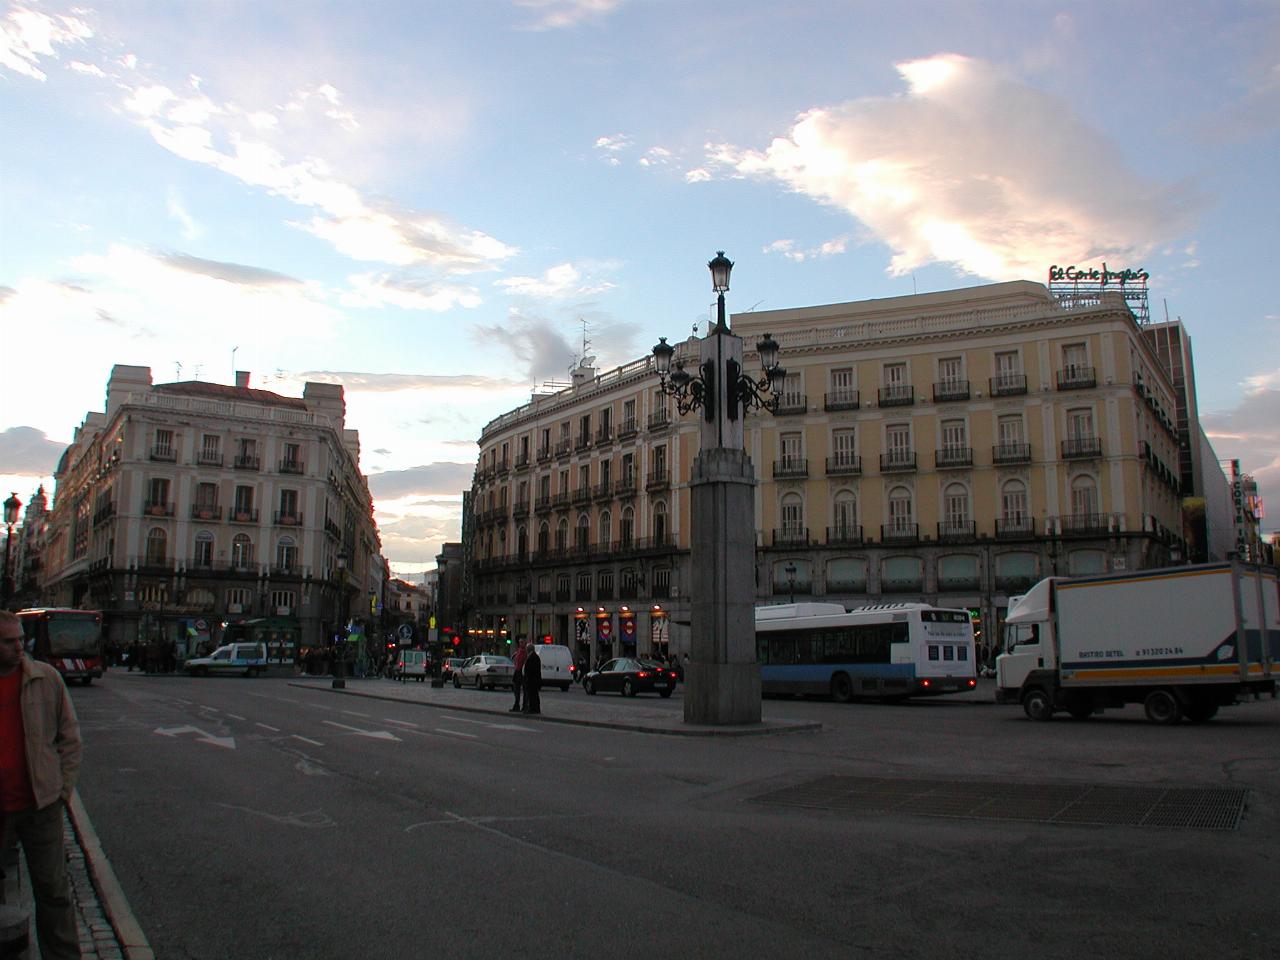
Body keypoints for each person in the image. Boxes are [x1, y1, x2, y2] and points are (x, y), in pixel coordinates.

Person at [0, 609, 83, 960]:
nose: (19, 646)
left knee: (54, 891)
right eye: (8, 641)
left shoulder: (45, 678)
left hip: (40, 804)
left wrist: (61, 790)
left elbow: (70, 738)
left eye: (21, 639)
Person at [522, 641, 542, 715]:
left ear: (529, 649)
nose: (526, 650)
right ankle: (533, 708)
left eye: (527, 649)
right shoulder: (531, 656)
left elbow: (532, 668)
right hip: (531, 679)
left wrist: (527, 675)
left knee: (533, 694)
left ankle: (533, 708)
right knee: (532, 694)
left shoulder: (533, 657)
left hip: (532, 679)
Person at [510, 637, 528, 712]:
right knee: (516, 689)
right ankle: (516, 705)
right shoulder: (518, 651)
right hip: (517, 671)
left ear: (525, 643)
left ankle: (524, 706)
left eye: (522, 642)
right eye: (520, 642)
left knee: (525, 690)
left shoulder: (526, 652)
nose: (520, 644)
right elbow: (514, 659)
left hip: (522, 672)